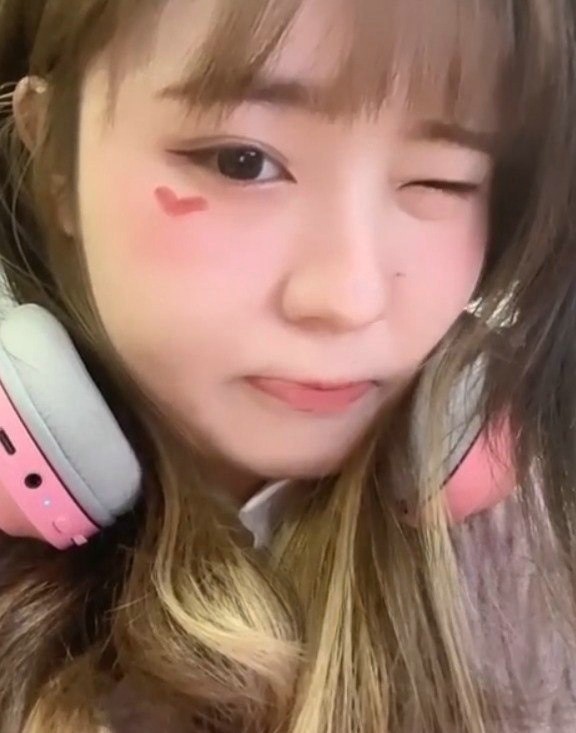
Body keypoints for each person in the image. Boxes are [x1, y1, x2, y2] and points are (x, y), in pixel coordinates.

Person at [0, 0, 575, 731]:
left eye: (443, 182)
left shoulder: (535, 557)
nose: (349, 299)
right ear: (54, 162)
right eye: (241, 162)